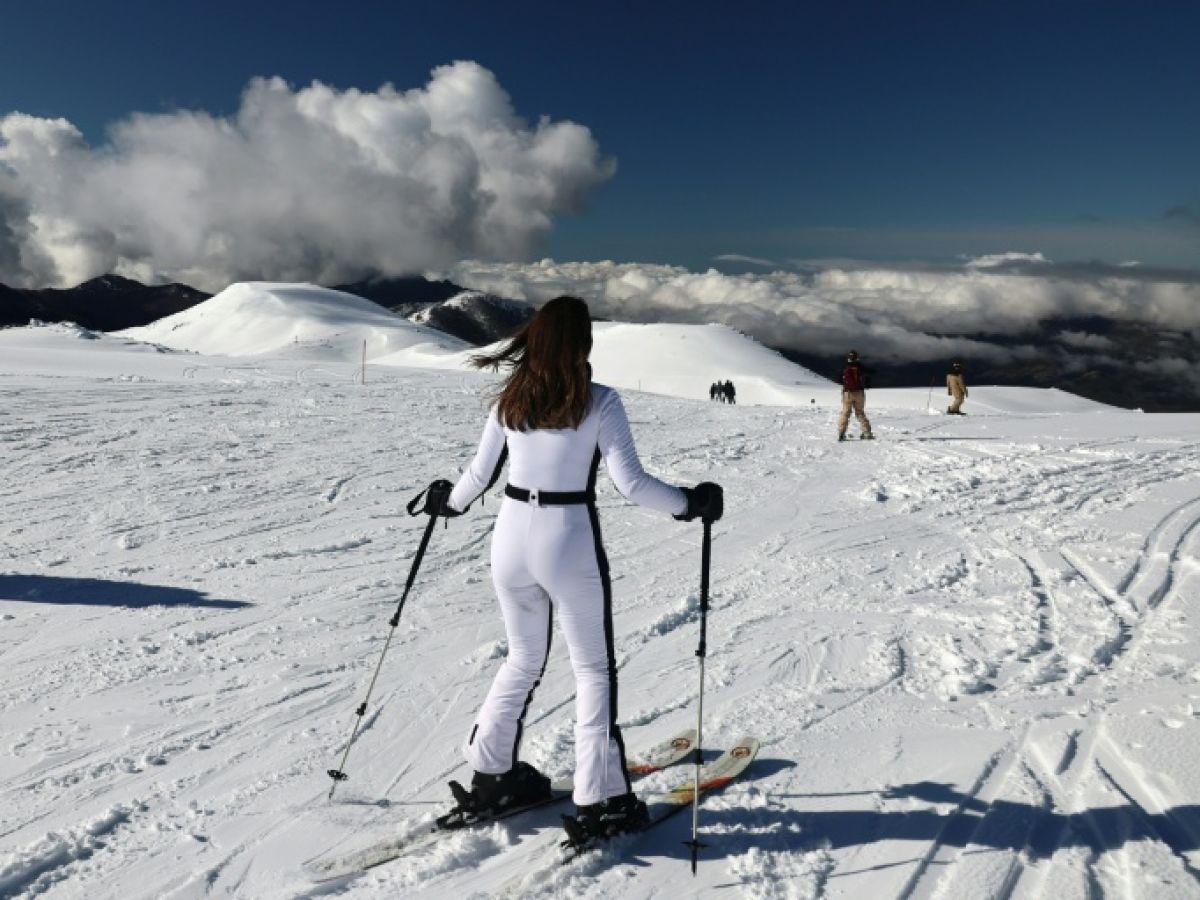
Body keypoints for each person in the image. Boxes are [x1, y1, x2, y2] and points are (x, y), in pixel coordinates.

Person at [423, 296, 723, 844]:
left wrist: (448, 502)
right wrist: (690, 503)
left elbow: (477, 475)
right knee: (591, 671)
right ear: (581, 343)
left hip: (510, 539)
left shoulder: (510, 401)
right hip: (568, 539)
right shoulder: (599, 402)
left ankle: (491, 775)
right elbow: (631, 485)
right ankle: (600, 799)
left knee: (522, 658)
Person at [837, 349, 874, 441]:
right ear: (857, 358)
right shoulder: (860, 367)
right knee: (860, 413)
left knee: (845, 413)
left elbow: (838, 379)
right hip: (859, 393)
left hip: (847, 393)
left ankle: (841, 433)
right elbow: (871, 372)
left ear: (848, 358)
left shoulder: (845, 367)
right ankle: (867, 433)